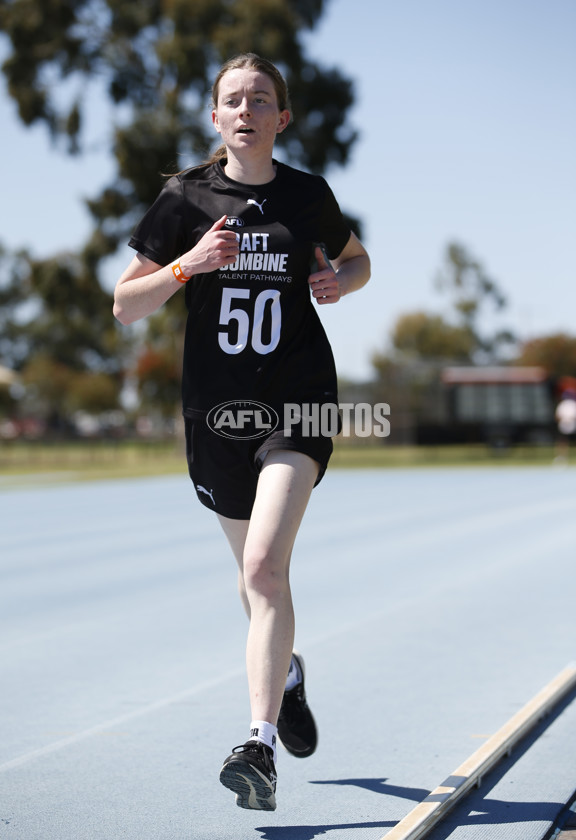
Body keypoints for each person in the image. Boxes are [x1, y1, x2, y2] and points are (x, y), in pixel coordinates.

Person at [113, 53, 370, 812]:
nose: (248, 109)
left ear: (281, 118)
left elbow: (358, 264)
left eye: (262, 99)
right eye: (234, 99)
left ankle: (256, 744)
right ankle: (286, 677)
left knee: (263, 568)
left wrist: (336, 281)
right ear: (216, 117)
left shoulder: (307, 196)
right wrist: (188, 265)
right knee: (255, 582)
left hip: (300, 401)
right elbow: (126, 306)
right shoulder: (184, 199)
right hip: (217, 415)